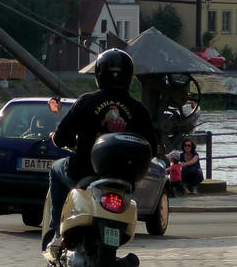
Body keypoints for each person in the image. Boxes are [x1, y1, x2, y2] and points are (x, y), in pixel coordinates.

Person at [43, 48, 157, 257]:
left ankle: (57, 233)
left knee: (55, 169)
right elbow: (153, 146)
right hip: (123, 181)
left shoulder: (87, 101)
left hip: (85, 172)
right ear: (129, 77)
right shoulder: (138, 109)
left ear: (98, 74)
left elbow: (61, 137)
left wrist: (58, 139)